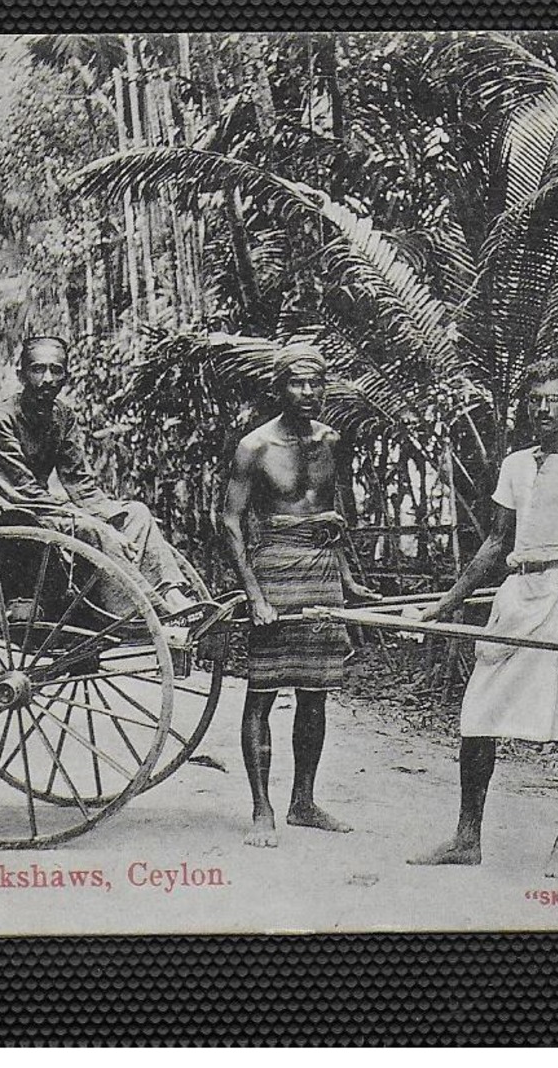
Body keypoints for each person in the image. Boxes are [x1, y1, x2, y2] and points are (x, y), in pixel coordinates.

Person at [408, 358, 558, 879]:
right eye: (534, 400)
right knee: (478, 715)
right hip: (517, 595)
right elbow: (497, 543)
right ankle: (466, 837)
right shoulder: (517, 464)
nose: (542, 409)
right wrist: (448, 602)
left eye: (553, 400)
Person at [220, 342, 378, 848]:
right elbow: (229, 519)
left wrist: (348, 578)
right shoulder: (255, 447)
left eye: (316, 383)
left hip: (321, 568)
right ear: (278, 387)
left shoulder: (333, 440)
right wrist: (255, 595)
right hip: (274, 567)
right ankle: (262, 808)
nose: (308, 393)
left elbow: (335, 514)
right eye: (297, 383)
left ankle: (303, 802)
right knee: (262, 691)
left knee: (315, 693)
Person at [0, 335, 197, 617]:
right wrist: (97, 524)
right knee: (93, 531)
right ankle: (148, 610)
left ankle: (170, 592)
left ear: (66, 375)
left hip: (41, 510)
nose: (47, 378)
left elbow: (79, 483)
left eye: (56, 370)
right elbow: (24, 493)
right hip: (10, 514)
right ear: (21, 374)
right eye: (38, 369)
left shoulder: (63, 416)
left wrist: (110, 515)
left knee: (135, 513)